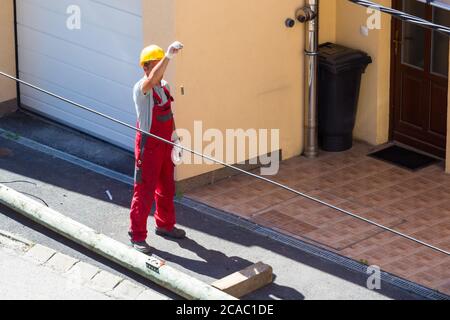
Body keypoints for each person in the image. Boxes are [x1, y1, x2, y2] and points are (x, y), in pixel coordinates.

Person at [129, 41, 185, 253]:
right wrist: (169, 56)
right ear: (145, 67)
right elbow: (152, 79)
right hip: (148, 147)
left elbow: (169, 115)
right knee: (144, 191)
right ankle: (137, 235)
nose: (161, 67)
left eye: (162, 62)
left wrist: (176, 139)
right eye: (156, 63)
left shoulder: (165, 87)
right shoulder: (141, 88)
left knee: (166, 187)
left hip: (165, 144)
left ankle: (165, 225)